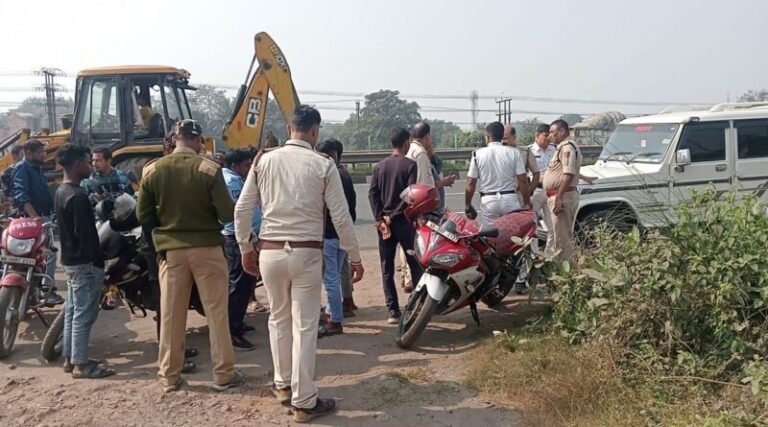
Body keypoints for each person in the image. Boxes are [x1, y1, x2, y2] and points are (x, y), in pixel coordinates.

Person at [234, 105, 364, 423]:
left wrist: (244, 248)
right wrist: (356, 256)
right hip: (306, 253)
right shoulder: (323, 163)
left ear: (289, 127)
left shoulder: (264, 160)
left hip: (270, 252)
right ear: (315, 131)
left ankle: (283, 385)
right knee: (305, 326)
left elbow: (241, 210)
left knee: (278, 319)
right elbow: (341, 217)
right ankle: (304, 400)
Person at [137, 119, 244, 393]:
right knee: (217, 313)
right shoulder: (209, 169)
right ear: (198, 141)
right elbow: (226, 213)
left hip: (171, 252)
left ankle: (169, 376)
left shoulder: (152, 170)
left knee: (171, 315)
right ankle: (223, 374)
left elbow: (143, 215)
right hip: (208, 248)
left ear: (174, 138)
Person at [54, 143, 115, 379]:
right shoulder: (77, 197)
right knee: (84, 314)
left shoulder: (61, 191)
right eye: (88, 162)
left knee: (72, 311)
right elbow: (86, 236)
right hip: (84, 264)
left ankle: (71, 359)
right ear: (78, 164)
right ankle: (81, 365)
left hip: (70, 261)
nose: (91, 165)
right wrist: (99, 261)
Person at [369, 127, 424, 325]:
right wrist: (392, 217)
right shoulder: (410, 165)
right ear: (407, 142)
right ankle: (418, 305)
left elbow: (372, 194)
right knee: (414, 264)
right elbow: (410, 196)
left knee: (387, 267)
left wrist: (380, 218)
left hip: (384, 224)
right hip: (403, 222)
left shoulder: (379, 166)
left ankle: (392, 310)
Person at [12, 140, 63, 306]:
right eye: (40, 152)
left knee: (43, 256)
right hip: (32, 221)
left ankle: (40, 289)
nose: (43, 155)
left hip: (43, 217)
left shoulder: (36, 168)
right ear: (28, 153)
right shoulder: (22, 168)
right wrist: (36, 219)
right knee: (47, 255)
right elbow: (21, 196)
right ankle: (45, 290)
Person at [222, 149, 262, 351]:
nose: (249, 168)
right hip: (237, 239)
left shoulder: (238, 179)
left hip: (248, 237)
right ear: (235, 166)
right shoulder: (231, 182)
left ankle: (238, 322)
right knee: (239, 284)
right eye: (247, 165)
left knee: (246, 283)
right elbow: (238, 213)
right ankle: (232, 331)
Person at [316, 139, 356, 336]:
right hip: (342, 233)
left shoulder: (330, 175)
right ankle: (334, 312)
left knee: (330, 277)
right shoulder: (344, 174)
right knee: (337, 275)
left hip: (330, 234)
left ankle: (335, 320)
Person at [465, 122, 530, 225]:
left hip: (489, 201)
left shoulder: (477, 154)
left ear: (487, 137)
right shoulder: (514, 153)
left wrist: (468, 204)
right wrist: (527, 203)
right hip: (510, 199)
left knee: (491, 235)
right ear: (501, 136)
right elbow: (522, 180)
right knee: (512, 234)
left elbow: (470, 182)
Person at [543, 119, 581, 263]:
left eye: (553, 132)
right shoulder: (561, 147)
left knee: (562, 239)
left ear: (562, 131)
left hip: (563, 197)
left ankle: (567, 271)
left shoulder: (567, 148)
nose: (550, 136)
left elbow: (568, 173)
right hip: (558, 195)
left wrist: (559, 198)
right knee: (559, 236)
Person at [334, 140, 358, 318]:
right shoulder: (344, 173)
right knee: (343, 265)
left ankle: (341, 307)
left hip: (335, 228)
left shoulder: (335, 174)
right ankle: (348, 299)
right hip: (345, 226)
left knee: (334, 270)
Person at [529, 124, 558, 258]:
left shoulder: (554, 150)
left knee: (553, 225)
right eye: (545, 135)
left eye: (549, 135)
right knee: (532, 225)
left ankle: (549, 254)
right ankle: (533, 254)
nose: (548, 138)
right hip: (535, 191)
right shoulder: (529, 151)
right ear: (537, 135)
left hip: (551, 191)